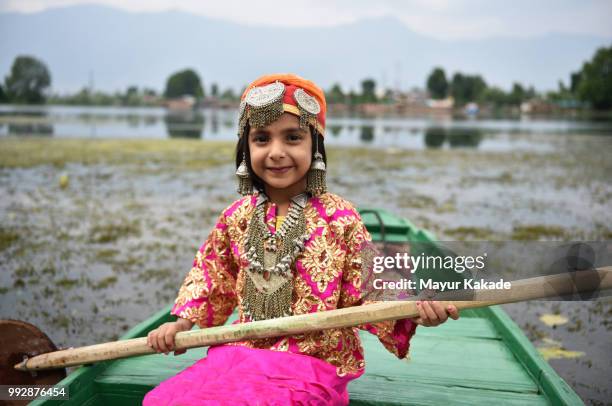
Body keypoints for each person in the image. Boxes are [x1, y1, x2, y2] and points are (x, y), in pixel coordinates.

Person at [143, 74, 459, 405]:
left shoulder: (341, 219)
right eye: (262, 139)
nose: (276, 152)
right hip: (239, 352)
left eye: (292, 138)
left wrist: (415, 310)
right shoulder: (235, 217)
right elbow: (212, 277)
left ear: (315, 146)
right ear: (245, 148)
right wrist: (179, 326)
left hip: (313, 364)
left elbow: (374, 287)